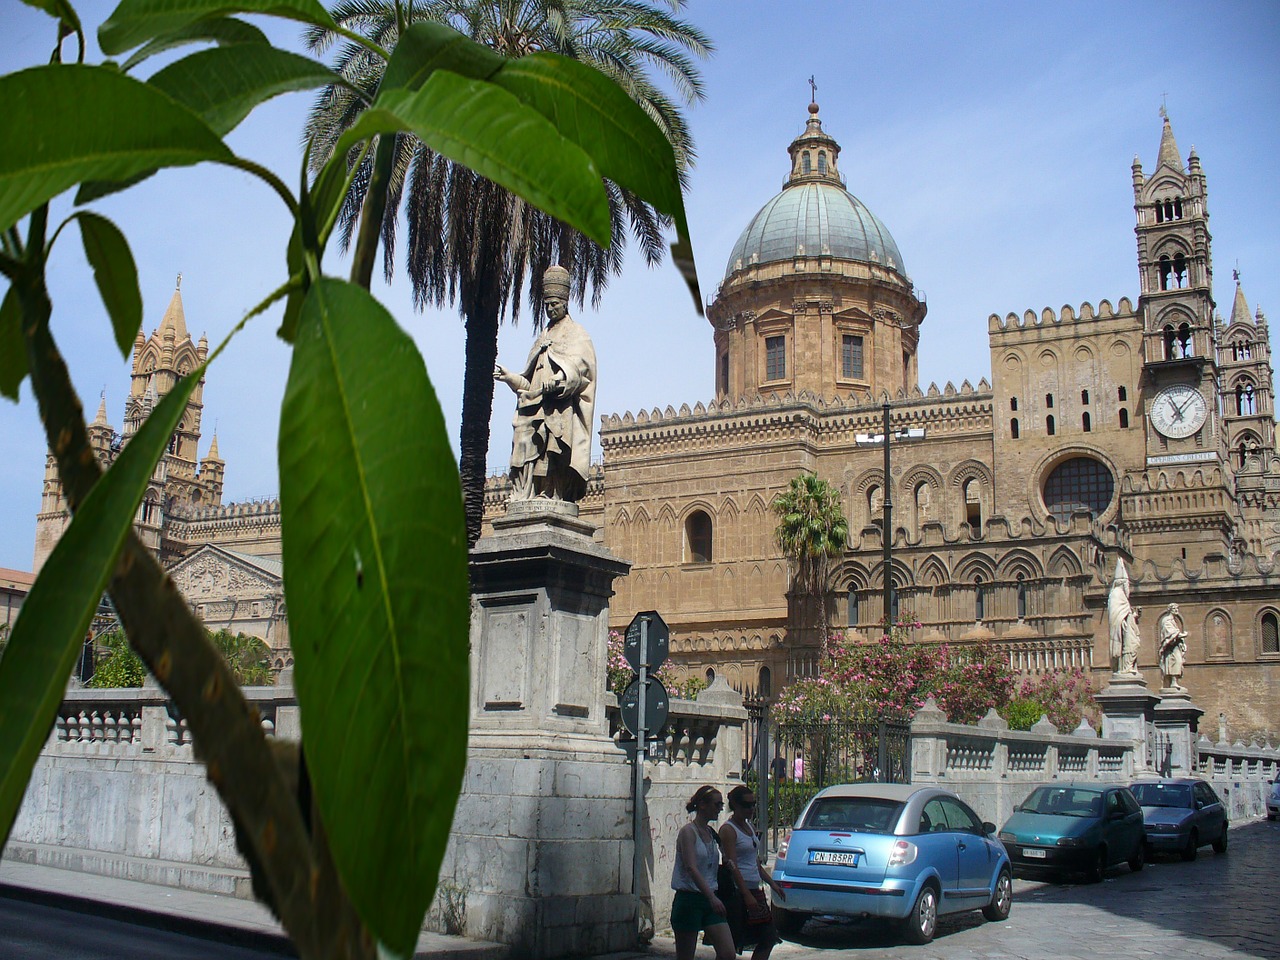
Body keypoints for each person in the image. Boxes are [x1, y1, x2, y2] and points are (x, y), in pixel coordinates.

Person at [494, 265, 597, 503]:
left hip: (560, 409)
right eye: (547, 304)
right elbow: (529, 382)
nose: (550, 309)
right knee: (526, 448)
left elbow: (582, 372)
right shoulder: (543, 336)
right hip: (535, 407)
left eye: (554, 304)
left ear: (565, 302)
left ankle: (552, 493)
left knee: (554, 449)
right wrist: (511, 378)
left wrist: (559, 381)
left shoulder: (577, 335)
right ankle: (526, 493)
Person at [718, 785, 784, 959]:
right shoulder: (728, 830)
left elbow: (754, 862)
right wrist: (746, 894)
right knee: (731, 941)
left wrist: (773, 884)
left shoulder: (749, 827)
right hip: (738, 891)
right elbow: (732, 865)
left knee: (768, 937)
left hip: (754, 888)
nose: (751, 809)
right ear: (736, 806)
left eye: (753, 804)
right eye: (747, 805)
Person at [673, 785, 735, 960]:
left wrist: (728, 864)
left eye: (721, 805)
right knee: (685, 956)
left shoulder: (711, 833)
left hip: (711, 899)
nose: (720, 809)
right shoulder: (688, 832)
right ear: (702, 805)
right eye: (717, 805)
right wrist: (711, 897)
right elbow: (691, 867)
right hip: (690, 898)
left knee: (728, 953)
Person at [1106, 558, 1142, 675]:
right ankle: (1125, 668)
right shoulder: (1116, 594)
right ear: (1122, 583)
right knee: (1129, 645)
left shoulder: (1121, 595)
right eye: (1127, 584)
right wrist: (1126, 619)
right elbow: (1116, 616)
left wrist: (1133, 616)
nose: (1129, 587)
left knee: (1133, 645)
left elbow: (1124, 613)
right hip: (1121, 630)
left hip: (1126, 628)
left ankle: (1128, 667)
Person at [1157, 602, 1188, 689]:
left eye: (1177, 609)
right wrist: (1182, 635)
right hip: (1170, 648)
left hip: (1175, 646)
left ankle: (1174, 682)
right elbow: (1169, 633)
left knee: (1178, 662)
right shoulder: (1166, 620)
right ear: (1170, 610)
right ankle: (1173, 682)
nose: (1177, 610)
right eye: (1175, 609)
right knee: (1174, 662)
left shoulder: (1173, 621)